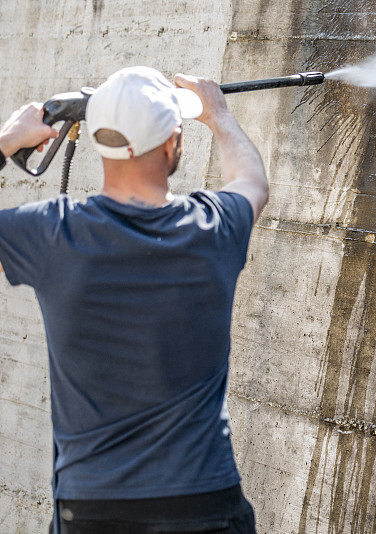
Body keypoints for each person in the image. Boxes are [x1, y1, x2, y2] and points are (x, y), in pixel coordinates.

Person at [0, 66, 269, 533]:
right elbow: (252, 183)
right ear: (171, 143)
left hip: (93, 510)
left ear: (98, 144)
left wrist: (6, 139)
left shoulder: (51, 234)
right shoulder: (214, 228)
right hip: (204, 504)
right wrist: (218, 115)